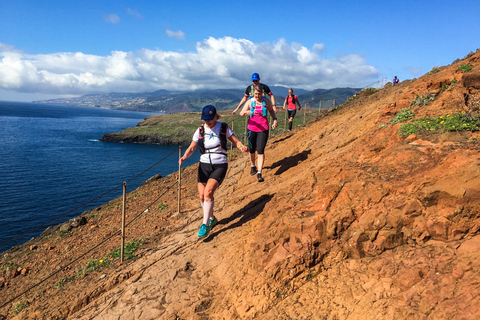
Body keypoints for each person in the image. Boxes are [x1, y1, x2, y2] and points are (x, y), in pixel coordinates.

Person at [179, 105, 248, 237]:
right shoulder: (200, 130)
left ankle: (205, 225)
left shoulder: (223, 127)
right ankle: (212, 219)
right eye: (205, 119)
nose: (208, 122)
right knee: (201, 196)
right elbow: (192, 148)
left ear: (215, 116)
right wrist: (184, 157)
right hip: (204, 165)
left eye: (210, 119)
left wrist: (241, 147)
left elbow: (235, 141)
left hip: (220, 164)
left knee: (208, 192)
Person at [239, 85, 277, 182]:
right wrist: (248, 112)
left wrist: (274, 119)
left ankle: (259, 173)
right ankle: (252, 165)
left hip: (263, 128)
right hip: (251, 128)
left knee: (260, 150)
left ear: (262, 94)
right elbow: (241, 113)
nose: (257, 96)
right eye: (255, 94)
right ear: (253, 94)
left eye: (259, 94)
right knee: (252, 149)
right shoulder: (250, 102)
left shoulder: (266, 101)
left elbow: (271, 110)